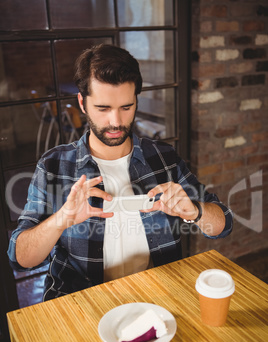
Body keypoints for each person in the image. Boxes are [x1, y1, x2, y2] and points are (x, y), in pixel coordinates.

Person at [8, 44, 233, 301]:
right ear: (82, 102)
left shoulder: (163, 158)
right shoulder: (54, 166)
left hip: (159, 298)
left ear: (136, 99)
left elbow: (223, 223)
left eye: (126, 107)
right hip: (83, 303)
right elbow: (20, 258)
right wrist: (61, 219)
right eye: (103, 109)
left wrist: (195, 210)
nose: (116, 122)